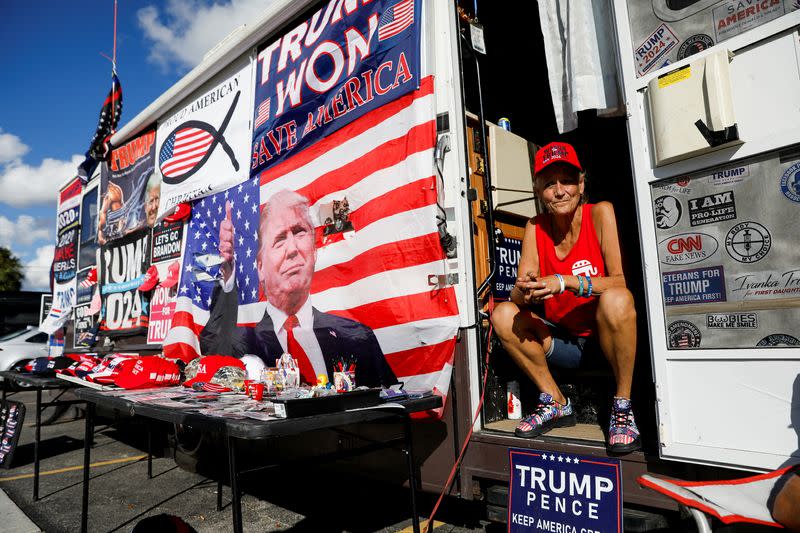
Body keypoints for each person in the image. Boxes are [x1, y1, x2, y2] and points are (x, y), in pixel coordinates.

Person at [490, 142, 640, 454]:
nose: (559, 191)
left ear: (581, 184)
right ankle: (555, 401)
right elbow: (520, 298)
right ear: (538, 191)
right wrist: (524, 287)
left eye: (567, 181)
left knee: (618, 299)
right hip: (563, 343)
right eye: (549, 184)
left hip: (604, 342)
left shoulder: (601, 213)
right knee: (503, 313)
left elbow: (619, 281)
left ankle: (623, 405)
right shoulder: (535, 226)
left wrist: (564, 282)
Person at [200, 189, 396, 388]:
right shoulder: (241, 342)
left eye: (299, 231)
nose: (292, 249)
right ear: (260, 268)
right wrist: (227, 270)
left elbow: (388, 405)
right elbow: (214, 343)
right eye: (279, 239)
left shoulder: (357, 336)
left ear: (314, 251)